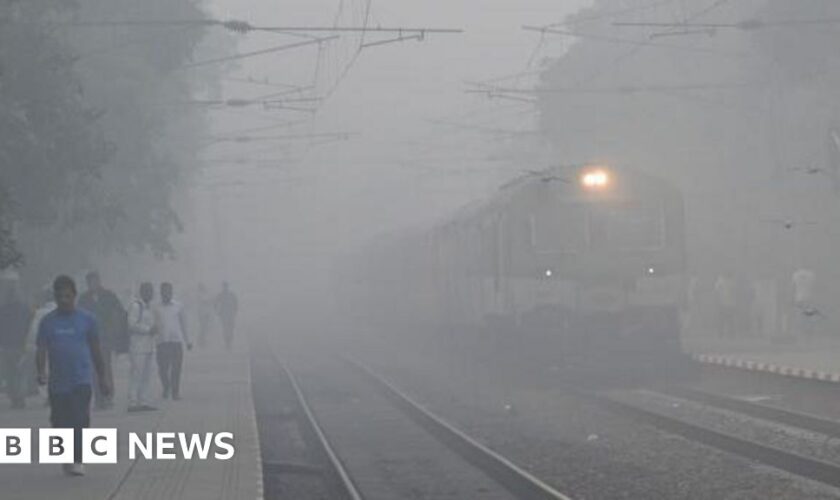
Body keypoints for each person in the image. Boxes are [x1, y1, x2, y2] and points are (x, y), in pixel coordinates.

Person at [36, 275, 110, 476]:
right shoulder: (47, 322)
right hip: (58, 383)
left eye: (68, 296)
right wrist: (41, 371)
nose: (64, 300)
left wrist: (103, 378)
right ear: (55, 297)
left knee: (79, 419)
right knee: (60, 422)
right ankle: (66, 457)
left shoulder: (87, 320)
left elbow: (96, 350)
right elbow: (41, 349)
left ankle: (78, 458)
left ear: (74, 296)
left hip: (81, 380)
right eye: (60, 297)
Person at [78, 271, 125, 409]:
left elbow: (120, 313)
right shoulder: (84, 299)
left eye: (95, 281)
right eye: (90, 282)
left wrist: (115, 332)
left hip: (105, 337)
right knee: (94, 370)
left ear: (99, 281)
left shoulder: (109, 296)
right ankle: (98, 399)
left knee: (105, 367)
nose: (93, 284)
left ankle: (108, 396)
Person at [155, 282, 192, 400]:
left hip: (176, 341)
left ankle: (175, 392)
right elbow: (153, 324)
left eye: (168, 291)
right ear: (161, 293)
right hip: (162, 342)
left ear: (171, 292)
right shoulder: (156, 307)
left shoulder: (178, 306)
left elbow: (184, 324)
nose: (166, 293)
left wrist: (188, 341)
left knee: (176, 368)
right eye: (164, 291)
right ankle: (166, 387)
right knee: (163, 369)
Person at [127, 283, 157, 412]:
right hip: (138, 346)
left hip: (149, 345)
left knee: (146, 375)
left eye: (151, 291)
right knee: (136, 374)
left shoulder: (150, 308)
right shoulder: (136, 306)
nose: (150, 294)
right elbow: (131, 324)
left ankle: (144, 400)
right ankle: (133, 402)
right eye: (147, 291)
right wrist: (148, 329)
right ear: (142, 292)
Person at [0, 287, 31, 408]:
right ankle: (20, 397)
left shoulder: (3, 310)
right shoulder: (24, 309)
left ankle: (14, 397)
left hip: (7, 346)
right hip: (21, 345)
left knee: (10, 373)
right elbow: (29, 325)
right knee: (21, 373)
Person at [214, 282, 238, 351]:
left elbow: (236, 303)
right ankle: (227, 342)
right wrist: (217, 311)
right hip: (224, 314)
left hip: (230, 314)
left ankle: (229, 341)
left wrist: (235, 311)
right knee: (226, 328)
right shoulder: (221, 295)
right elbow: (215, 303)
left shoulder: (231, 295)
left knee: (230, 328)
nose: (225, 288)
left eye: (226, 286)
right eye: (224, 286)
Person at [714, 273, 738, 338]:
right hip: (728, 304)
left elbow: (717, 291)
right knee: (729, 320)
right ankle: (729, 334)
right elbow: (735, 293)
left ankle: (722, 334)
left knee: (724, 320)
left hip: (725, 304)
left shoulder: (722, 282)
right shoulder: (731, 282)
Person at [195, 283, 213, 349]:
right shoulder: (199, 294)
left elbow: (209, 301)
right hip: (202, 313)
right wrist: (208, 301)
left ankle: (202, 340)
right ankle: (201, 341)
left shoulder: (205, 294)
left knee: (205, 327)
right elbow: (203, 301)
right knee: (203, 327)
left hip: (206, 313)